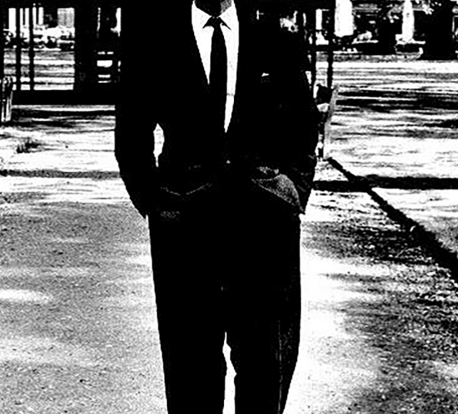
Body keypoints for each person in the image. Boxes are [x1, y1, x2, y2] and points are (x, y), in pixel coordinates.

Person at [115, 0, 318, 413]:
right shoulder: (156, 41)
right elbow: (131, 133)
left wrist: (291, 191)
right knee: (190, 360)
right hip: (184, 224)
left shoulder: (274, 39)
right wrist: (156, 203)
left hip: (264, 223)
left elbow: (303, 123)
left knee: (266, 358)